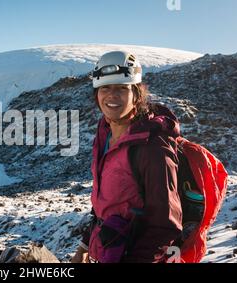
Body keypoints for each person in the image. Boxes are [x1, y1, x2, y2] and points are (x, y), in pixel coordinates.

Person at [71, 51, 183, 263]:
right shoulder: (104, 132)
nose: (112, 95)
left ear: (136, 94)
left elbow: (165, 225)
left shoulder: (152, 147)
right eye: (105, 88)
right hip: (107, 251)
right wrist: (84, 247)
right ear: (97, 94)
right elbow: (105, 205)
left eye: (122, 88)